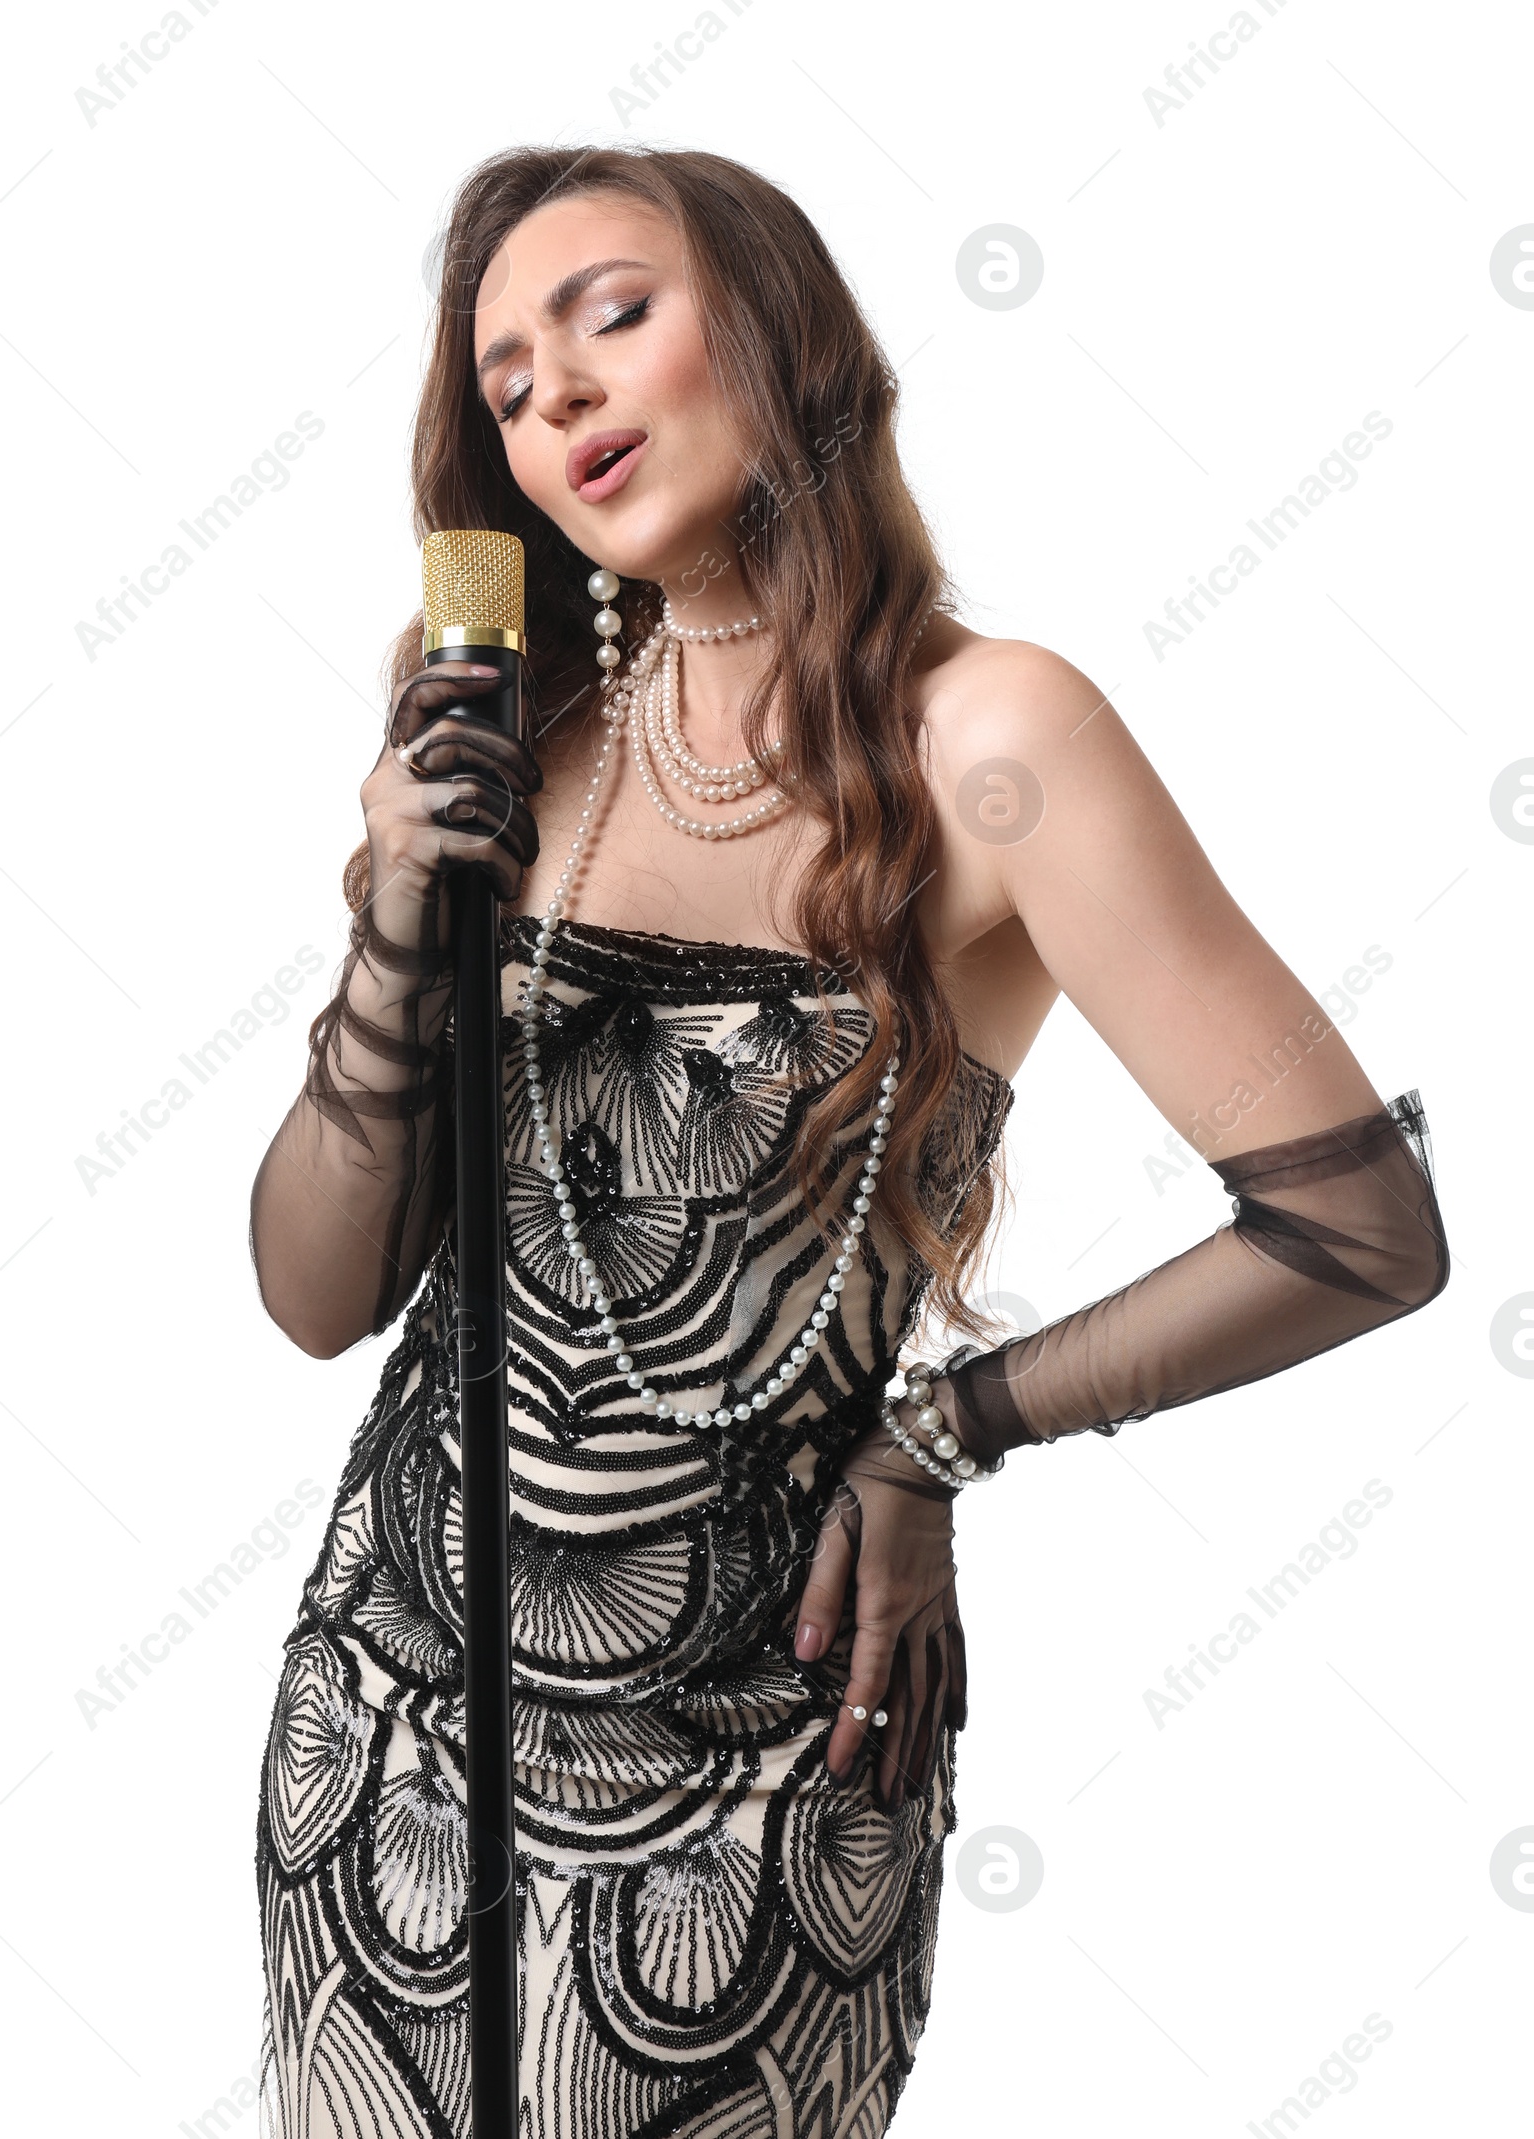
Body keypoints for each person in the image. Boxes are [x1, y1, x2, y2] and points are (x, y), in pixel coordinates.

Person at [246, 145, 1449, 2139]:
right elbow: (315, 1295)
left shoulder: (996, 737)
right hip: (380, 1723)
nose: (555, 397)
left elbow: (1352, 1228)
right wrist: (388, 924)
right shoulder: (507, 723)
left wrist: (940, 1432)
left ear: (778, 326)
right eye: (506, 384)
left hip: (757, 1767)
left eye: (609, 313)